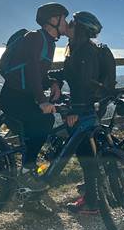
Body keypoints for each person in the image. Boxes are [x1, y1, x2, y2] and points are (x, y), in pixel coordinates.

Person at [49, 11, 116, 214]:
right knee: (89, 152)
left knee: (85, 154)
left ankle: (92, 202)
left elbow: (83, 85)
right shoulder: (79, 49)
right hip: (93, 105)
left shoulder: (84, 52)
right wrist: (53, 78)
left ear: (79, 28)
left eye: (72, 22)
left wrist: (74, 111)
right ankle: (93, 192)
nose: (68, 24)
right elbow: (71, 74)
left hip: (85, 108)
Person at [0, 2, 69, 193]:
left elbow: (39, 74)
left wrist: (53, 83)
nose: (67, 23)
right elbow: (31, 70)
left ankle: (28, 169)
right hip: (13, 97)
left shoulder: (48, 42)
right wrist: (42, 100)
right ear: (53, 20)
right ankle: (27, 170)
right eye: (64, 18)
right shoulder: (36, 38)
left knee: (43, 121)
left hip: (24, 97)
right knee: (44, 119)